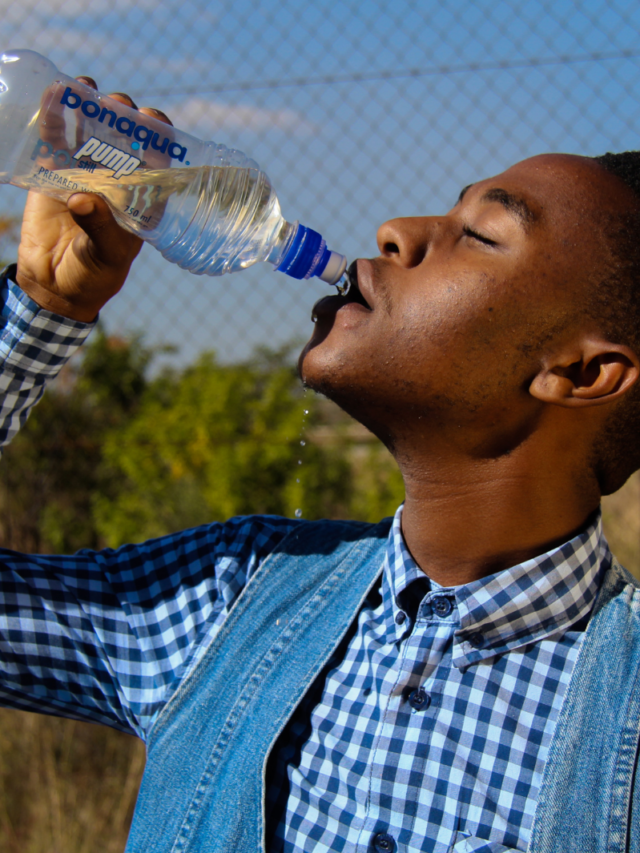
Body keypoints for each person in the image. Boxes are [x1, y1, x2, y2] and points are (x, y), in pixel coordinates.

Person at [1, 81, 640, 853]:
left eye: (481, 233)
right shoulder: (232, 596)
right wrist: (41, 308)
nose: (397, 230)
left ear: (580, 374)